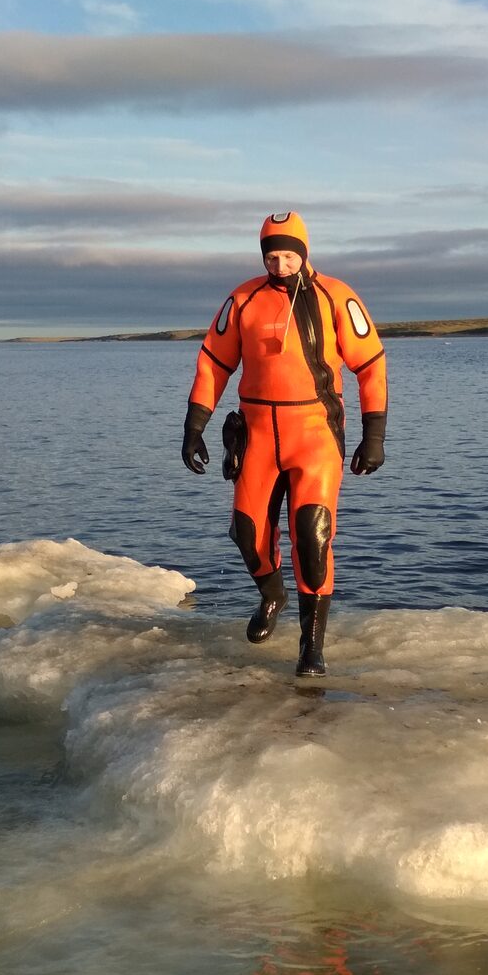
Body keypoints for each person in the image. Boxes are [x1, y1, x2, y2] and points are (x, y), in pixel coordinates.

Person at [181, 212, 389, 677]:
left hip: (314, 434)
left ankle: (311, 646)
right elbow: (213, 364)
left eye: (289, 255)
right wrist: (194, 426)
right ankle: (272, 594)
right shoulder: (243, 299)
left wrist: (373, 436)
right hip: (257, 435)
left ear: (305, 252)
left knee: (312, 538)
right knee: (247, 534)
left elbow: (371, 365)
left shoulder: (336, 296)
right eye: (271, 256)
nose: (280, 264)